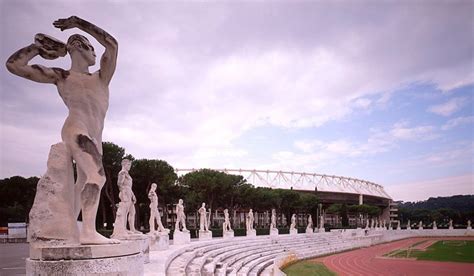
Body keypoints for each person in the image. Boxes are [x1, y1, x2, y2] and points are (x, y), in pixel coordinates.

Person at [6, 16, 118, 245]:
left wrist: (78, 22)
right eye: (92, 49)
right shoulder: (61, 76)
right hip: (76, 129)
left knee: (82, 185)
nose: (96, 55)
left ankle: (70, 230)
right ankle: (88, 232)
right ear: (79, 47)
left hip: (96, 139)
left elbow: (112, 45)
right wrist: (38, 48)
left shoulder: (101, 77)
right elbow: (14, 66)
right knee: (97, 176)